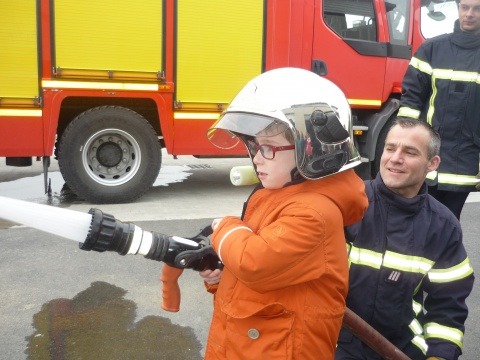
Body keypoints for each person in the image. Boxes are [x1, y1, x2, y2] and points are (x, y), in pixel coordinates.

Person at [198, 67, 368, 359]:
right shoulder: (276, 197)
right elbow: (264, 282)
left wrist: (224, 227)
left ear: (314, 150)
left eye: (268, 148)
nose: (256, 159)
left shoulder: (314, 213)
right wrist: (222, 278)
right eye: (253, 147)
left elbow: (255, 263)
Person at [335, 118, 475, 360]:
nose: (395, 158)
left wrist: (439, 355)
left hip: (400, 349)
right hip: (334, 344)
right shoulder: (345, 204)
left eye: (410, 152)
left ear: (433, 163)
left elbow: (447, 307)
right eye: (390, 148)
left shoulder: (443, 227)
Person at [398, 0, 480, 219]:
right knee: (418, 219)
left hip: (466, 159)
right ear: (458, 8)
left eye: (477, 8)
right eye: (465, 7)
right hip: (428, 153)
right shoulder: (432, 49)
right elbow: (411, 100)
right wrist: (405, 145)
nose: (469, 14)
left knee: (448, 223)